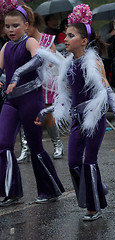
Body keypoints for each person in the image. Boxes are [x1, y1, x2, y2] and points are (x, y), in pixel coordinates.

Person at [35, 4, 115, 221]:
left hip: (94, 118)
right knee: (73, 163)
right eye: (65, 35)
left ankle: (93, 208)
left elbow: (107, 90)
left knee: (89, 162)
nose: (65, 39)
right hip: (77, 119)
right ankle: (98, 189)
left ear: (84, 41)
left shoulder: (93, 63)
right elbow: (66, 99)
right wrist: (46, 110)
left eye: (70, 35)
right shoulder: (67, 66)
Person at [0, 3, 64, 206]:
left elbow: (39, 59)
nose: (10, 30)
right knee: (3, 143)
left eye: (15, 26)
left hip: (31, 99)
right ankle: (10, 191)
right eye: (7, 26)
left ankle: (50, 190)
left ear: (26, 25)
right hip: (11, 101)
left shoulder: (30, 43)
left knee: (36, 146)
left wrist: (17, 74)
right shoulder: (6, 46)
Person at [17, 12, 64, 163]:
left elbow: (53, 59)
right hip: (28, 83)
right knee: (26, 115)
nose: (24, 30)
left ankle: (57, 144)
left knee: (48, 114)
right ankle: (25, 149)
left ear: (32, 24)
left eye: (26, 26)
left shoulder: (48, 39)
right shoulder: (23, 41)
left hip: (47, 83)